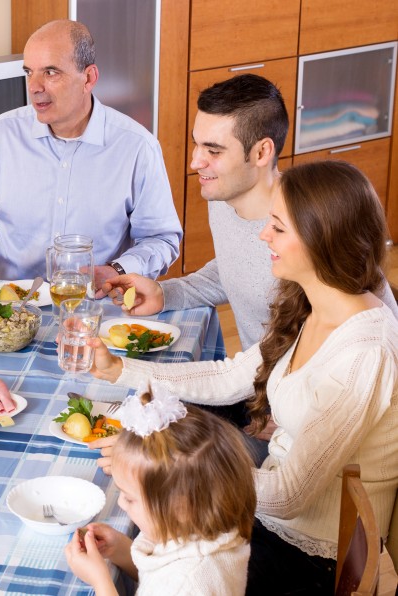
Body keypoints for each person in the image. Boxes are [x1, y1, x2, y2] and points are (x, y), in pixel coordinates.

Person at [88, 160, 398, 594]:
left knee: (162, 488)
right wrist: (121, 370)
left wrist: (175, 471)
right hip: (273, 518)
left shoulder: (365, 350)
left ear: (321, 239)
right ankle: (140, 560)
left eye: (278, 227)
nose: (262, 236)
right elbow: (231, 375)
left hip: (311, 557)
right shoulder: (316, 302)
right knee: (166, 461)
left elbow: (290, 496)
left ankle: (137, 565)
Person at [98, 73, 398, 349]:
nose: (195, 163)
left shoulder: (308, 230)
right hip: (256, 386)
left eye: (213, 151)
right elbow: (235, 269)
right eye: (197, 145)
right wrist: (165, 293)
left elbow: (371, 338)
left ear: (261, 153)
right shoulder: (223, 197)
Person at [0, 19, 181, 286]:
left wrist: (117, 270)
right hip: (5, 306)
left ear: (89, 78)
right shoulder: (0, 134)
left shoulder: (137, 146)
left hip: (89, 304)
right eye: (29, 72)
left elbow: (161, 238)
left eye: (50, 72)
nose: (34, 87)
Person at [64, 387, 256, 595]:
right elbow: (158, 579)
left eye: (129, 498)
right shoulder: (202, 529)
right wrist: (119, 549)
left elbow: (171, 584)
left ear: (180, 508)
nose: (121, 503)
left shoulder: (189, 584)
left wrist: (100, 581)